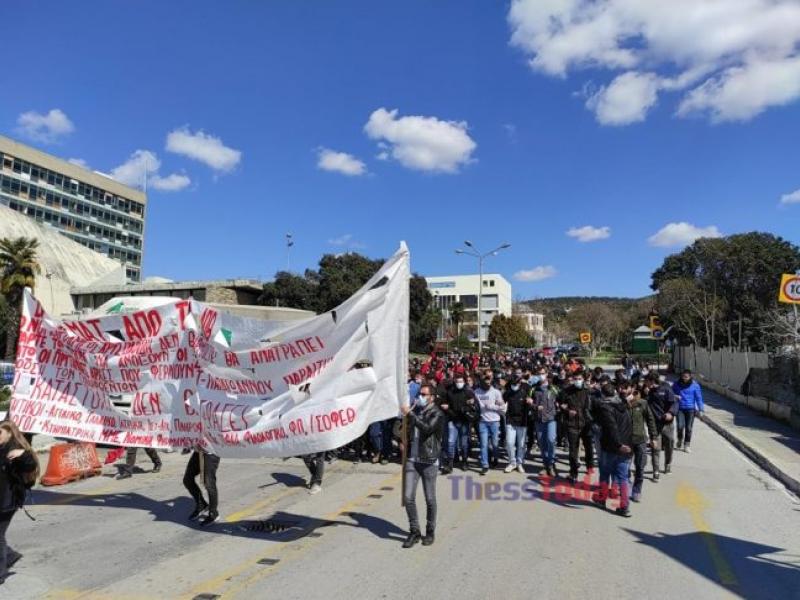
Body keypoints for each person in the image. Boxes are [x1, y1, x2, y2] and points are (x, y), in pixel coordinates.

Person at [400, 384, 444, 548]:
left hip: (429, 460)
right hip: (413, 458)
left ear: (432, 397)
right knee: (408, 497)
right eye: (420, 393)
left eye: (424, 394)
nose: (421, 396)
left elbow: (427, 428)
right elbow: (408, 428)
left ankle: (430, 530)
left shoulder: (437, 413)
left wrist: (410, 414)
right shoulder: (416, 410)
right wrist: (403, 439)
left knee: (430, 498)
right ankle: (414, 530)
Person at [0, 421, 40, 583]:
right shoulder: (2, 448)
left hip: (7, 501)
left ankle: (1, 572)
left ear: (10, 433)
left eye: (0, 432)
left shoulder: (15, 451)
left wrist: (23, 455)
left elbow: (30, 466)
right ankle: (10, 555)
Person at [592, 383, 634, 517]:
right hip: (626, 447)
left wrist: (618, 444)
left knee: (605, 473)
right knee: (623, 477)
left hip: (612, 447)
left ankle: (602, 498)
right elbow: (628, 426)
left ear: (603, 395)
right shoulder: (624, 405)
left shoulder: (606, 408)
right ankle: (624, 507)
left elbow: (611, 428)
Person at [559, 372, 594, 482]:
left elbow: (594, 407)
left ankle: (589, 465)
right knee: (573, 450)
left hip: (586, 424)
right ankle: (573, 473)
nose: (577, 380)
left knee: (588, 447)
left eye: (579, 378)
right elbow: (560, 404)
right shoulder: (566, 391)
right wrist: (566, 410)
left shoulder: (588, 391)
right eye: (575, 378)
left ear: (583, 379)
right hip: (572, 424)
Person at [439, 374, 478, 473]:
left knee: (464, 443)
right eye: (457, 381)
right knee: (451, 442)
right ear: (454, 382)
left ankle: (464, 461)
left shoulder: (469, 392)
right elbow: (446, 405)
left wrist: (466, 408)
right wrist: (450, 411)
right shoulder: (450, 392)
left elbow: (473, 407)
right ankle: (450, 463)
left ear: (464, 382)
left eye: (461, 381)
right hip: (453, 420)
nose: (459, 383)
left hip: (464, 420)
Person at [627, 388, 657, 503]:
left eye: (635, 393)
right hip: (626, 441)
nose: (634, 395)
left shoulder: (643, 404)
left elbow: (650, 420)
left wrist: (653, 437)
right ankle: (627, 486)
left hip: (640, 440)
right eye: (631, 393)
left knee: (640, 466)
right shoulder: (622, 404)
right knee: (625, 467)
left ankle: (637, 490)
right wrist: (626, 402)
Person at [647, 374, 679, 478]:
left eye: (647, 381)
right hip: (654, 425)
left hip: (667, 424)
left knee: (669, 445)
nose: (645, 384)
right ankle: (655, 470)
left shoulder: (665, 389)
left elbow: (675, 403)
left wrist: (671, 413)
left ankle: (668, 464)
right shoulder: (646, 391)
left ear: (652, 381)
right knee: (655, 447)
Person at [475, 370, 505, 476]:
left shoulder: (496, 392)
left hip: (495, 421)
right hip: (482, 421)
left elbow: (502, 407)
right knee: (483, 444)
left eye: (489, 381)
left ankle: (495, 458)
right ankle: (485, 465)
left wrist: (492, 407)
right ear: (482, 381)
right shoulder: (477, 392)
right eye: (486, 381)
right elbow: (474, 405)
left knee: (495, 444)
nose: (488, 383)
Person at [183, 445, 221, 526]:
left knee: (209, 483)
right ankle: (202, 505)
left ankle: (213, 513)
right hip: (198, 451)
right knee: (187, 480)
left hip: (211, 452)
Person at [503, 372, 530, 474]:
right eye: (512, 384)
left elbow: (530, 405)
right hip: (510, 420)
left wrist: (530, 403)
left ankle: (519, 463)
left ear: (520, 383)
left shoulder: (524, 392)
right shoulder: (507, 392)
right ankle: (512, 462)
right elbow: (502, 402)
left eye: (516, 384)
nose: (514, 386)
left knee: (521, 444)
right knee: (509, 442)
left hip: (522, 421)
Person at [673, 369, 705, 453]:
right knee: (680, 426)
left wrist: (701, 409)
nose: (684, 378)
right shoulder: (676, 384)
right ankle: (679, 439)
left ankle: (687, 445)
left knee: (689, 428)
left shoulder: (695, 385)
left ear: (690, 377)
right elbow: (671, 393)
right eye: (683, 376)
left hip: (690, 409)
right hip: (680, 409)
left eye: (686, 377)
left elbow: (699, 398)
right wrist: (675, 396)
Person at [533, 375, 559, 477]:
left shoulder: (553, 389)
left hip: (551, 419)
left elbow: (561, 398)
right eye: (541, 381)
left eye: (545, 380)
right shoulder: (534, 390)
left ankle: (551, 463)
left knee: (551, 440)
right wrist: (535, 406)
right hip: (539, 420)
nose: (543, 382)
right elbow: (529, 402)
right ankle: (546, 465)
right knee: (542, 443)